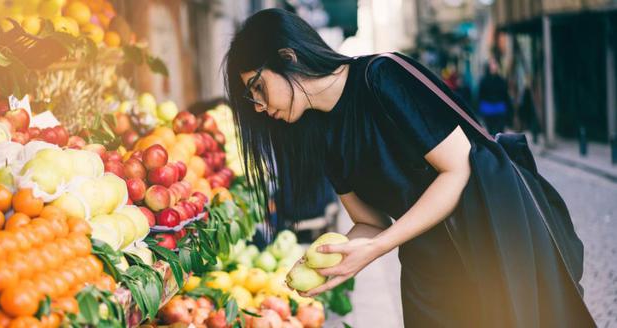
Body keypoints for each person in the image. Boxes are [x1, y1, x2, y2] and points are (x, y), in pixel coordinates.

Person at [224, 8, 594, 327]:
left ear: (287, 57)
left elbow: (457, 170)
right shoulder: (323, 136)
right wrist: (331, 264)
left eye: (257, 87)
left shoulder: (382, 76)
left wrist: (380, 246)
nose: (258, 106)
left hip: (487, 244)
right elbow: (371, 222)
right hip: (427, 271)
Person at [477, 58, 513, 135]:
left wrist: (509, 109)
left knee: (499, 132)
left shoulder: (501, 80)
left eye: (495, 64)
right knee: (490, 132)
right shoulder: (484, 81)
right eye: (492, 64)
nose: (494, 66)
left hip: (499, 110)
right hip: (488, 110)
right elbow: (480, 96)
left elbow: (505, 95)